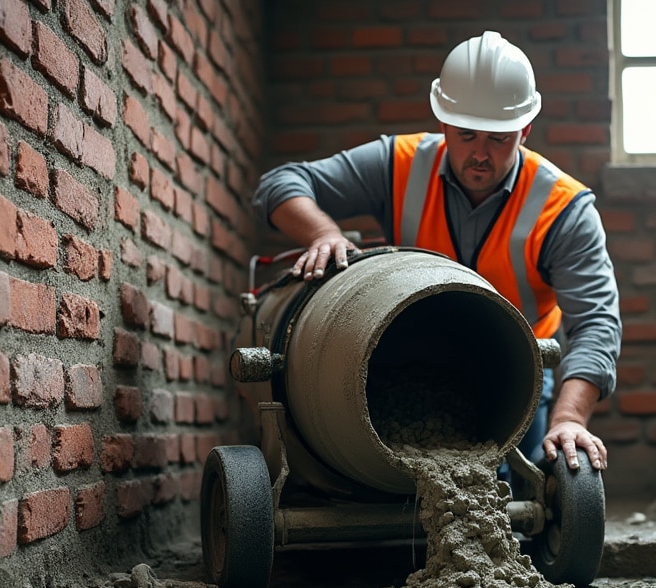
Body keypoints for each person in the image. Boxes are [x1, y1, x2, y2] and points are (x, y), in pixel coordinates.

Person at [251, 31, 621, 473]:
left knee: (511, 489)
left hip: (514, 374)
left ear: (524, 130)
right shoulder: (399, 163)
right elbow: (279, 185)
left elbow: (596, 322)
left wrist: (570, 419)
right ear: (443, 123)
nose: (480, 154)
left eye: (499, 138)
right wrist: (323, 233)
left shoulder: (563, 208)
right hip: (399, 360)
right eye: (466, 135)